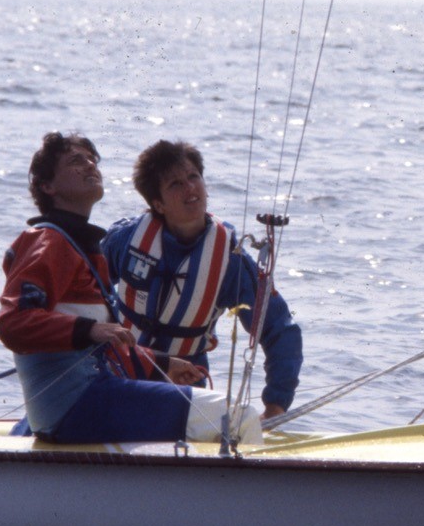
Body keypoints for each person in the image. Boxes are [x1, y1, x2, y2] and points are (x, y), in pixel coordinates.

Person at [0, 132, 260, 444]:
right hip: (78, 408)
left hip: (82, 403)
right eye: (76, 161)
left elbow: (96, 350)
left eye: (92, 159)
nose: (90, 165)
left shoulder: (80, 246)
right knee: (239, 417)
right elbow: (12, 323)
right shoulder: (47, 242)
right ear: (47, 186)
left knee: (214, 416)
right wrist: (92, 329)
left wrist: (163, 364)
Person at [102, 140, 302, 419]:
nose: (190, 188)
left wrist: (275, 406)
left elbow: (279, 329)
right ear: (158, 204)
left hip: (184, 387)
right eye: (175, 184)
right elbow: (83, 290)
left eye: (193, 177)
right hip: (119, 374)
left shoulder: (230, 260)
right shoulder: (125, 240)